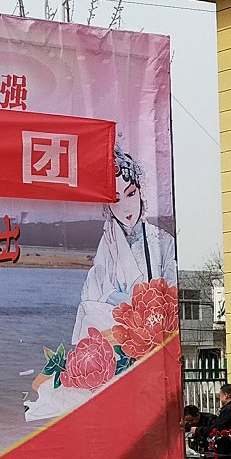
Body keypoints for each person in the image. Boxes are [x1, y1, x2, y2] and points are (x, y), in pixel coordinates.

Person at [72, 144, 178, 343]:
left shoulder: (163, 242)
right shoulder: (107, 243)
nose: (126, 207)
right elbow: (92, 296)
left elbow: (171, 295)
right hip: (115, 338)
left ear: (140, 192)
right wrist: (121, 304)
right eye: (116, 200)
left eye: (131, 194)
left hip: (153, 338)